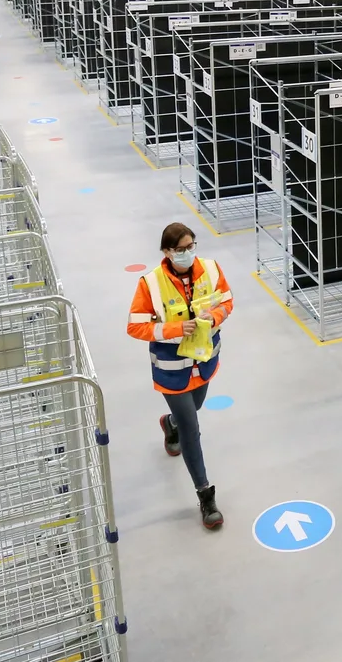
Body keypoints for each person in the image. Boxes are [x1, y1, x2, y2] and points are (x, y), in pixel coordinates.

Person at [126, 222, 232, 530]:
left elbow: (227, 301)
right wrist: (173, 329)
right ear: (166, 252)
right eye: (180, 249)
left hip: (203, 361)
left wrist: (213, 316)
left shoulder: (210, 270)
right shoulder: (151, 284)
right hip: (172, 369)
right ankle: (205, 494)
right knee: (192, 427)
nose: (187, 253)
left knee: (193, 408)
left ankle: (169, 423)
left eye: (191, 246)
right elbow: (135, 326)